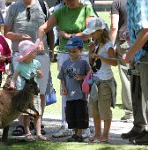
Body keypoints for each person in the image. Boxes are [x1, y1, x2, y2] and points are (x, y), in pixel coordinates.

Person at [38, 0, 95, 138]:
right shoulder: (60, 11)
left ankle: (85, 126)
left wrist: (68, 36)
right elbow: (43, 28)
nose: (67, 1)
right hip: (65, 54)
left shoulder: (86, 9)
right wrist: (40, 40)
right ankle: (67, 125)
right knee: (67, 90)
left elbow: (90, 32)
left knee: (85, 89)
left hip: (83, 53)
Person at [4, 0, 54, 136]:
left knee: (41, 91)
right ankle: (22, 125)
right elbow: (6, 32)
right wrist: (19, 37)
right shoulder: (13, 7)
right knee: (21, 91)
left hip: (42, 55)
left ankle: (39, 123)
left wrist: (51, 50)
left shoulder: (43, 5)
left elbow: (49, 30)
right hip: (20, 56)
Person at [82, 17, 117, 143]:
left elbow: (114, 62)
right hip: (95, 80)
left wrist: (100, 56)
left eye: (93, 32)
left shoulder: (108, 46)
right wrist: (91, 53)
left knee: (104, 109)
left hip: (105, 81)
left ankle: (105, 135)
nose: (91, 35)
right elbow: (92, 63)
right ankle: (97, 134)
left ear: (101, 31)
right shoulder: (95, 44)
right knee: (94, 108)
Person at [121, 0, 148, 145]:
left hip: (146, 54)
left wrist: (130, 54)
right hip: (140, 54)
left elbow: (146, 30)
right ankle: (140, 128)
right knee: (139, 92)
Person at [8, 39, 47, 141]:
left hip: (35, 93)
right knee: (26, 114)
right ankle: (27, 133)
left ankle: (38, 133)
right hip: (24, 94)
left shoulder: (37, 63)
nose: (36, 52)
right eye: (34, 51)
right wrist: (12, 85)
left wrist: (40, 74)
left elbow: (41, 75)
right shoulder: (20, 65)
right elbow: (14, 77)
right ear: (28, 54)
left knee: (37, 113)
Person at [58, 36, 90, 142]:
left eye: (74, 51)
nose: (71, 53)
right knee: (71, 115)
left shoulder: (83, 63)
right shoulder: (65, 64)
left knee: (80, 114)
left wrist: (81, 77)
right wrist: (64, 87)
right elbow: (62, 77)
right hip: (69, 96)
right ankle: (75, 133)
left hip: (80, 95)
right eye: (69, 51)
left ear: (80, 50)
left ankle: (79, 134)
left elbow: (89, 76)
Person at [110, 0, 133, 121]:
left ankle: (130, 113)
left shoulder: (117, 2)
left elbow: (114, 27)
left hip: (125, 44)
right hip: (142, 41)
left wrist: (110, 46)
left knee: (127, 79)